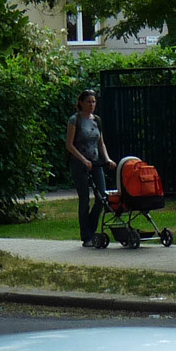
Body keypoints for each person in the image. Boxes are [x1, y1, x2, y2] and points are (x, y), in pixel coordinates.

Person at [65, 90, 115, 246]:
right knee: (85, 199)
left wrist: (107, 159)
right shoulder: (75, 120)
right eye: (89, 102)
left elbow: (101, 143)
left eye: (94, 102)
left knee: (102, 197)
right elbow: (69, 145)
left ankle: (92, 230)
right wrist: (83, 159)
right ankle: (86, 236)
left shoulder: (97, 120)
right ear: (81, 103)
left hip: (95, 162)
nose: (92, 105)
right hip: (80, 163)